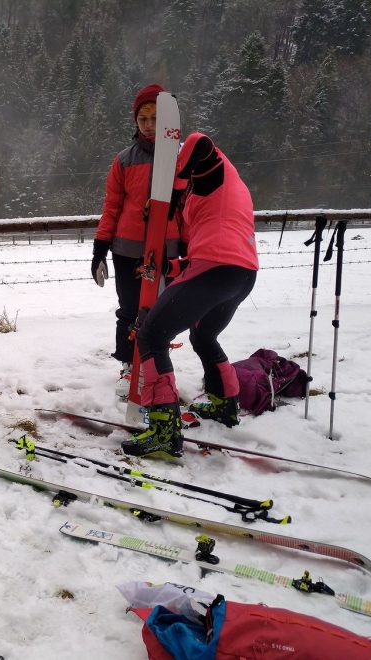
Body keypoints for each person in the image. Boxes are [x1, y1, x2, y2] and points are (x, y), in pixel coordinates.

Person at [121, 132, 258, 458]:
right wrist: (172, 265)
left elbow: (200, 142)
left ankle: (164, 430)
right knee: (203, 334)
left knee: (152, 334)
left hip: (217, 268)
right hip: (240, 273)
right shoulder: (219, 188)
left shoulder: (213, 167)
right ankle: (225, 404)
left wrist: (171, 187)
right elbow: (214, 236)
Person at [91, 83, 182, 395]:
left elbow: (189, 206)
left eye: (155, 118)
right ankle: (129, 367)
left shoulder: (181, 159)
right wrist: (100, 247)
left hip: (167, 250)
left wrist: (189, 244)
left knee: (160, 311)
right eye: (143, 118)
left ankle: (157, 366)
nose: (148, 125)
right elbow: (112, 206)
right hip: (128, 250)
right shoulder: (124, 161)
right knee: (130, 309)